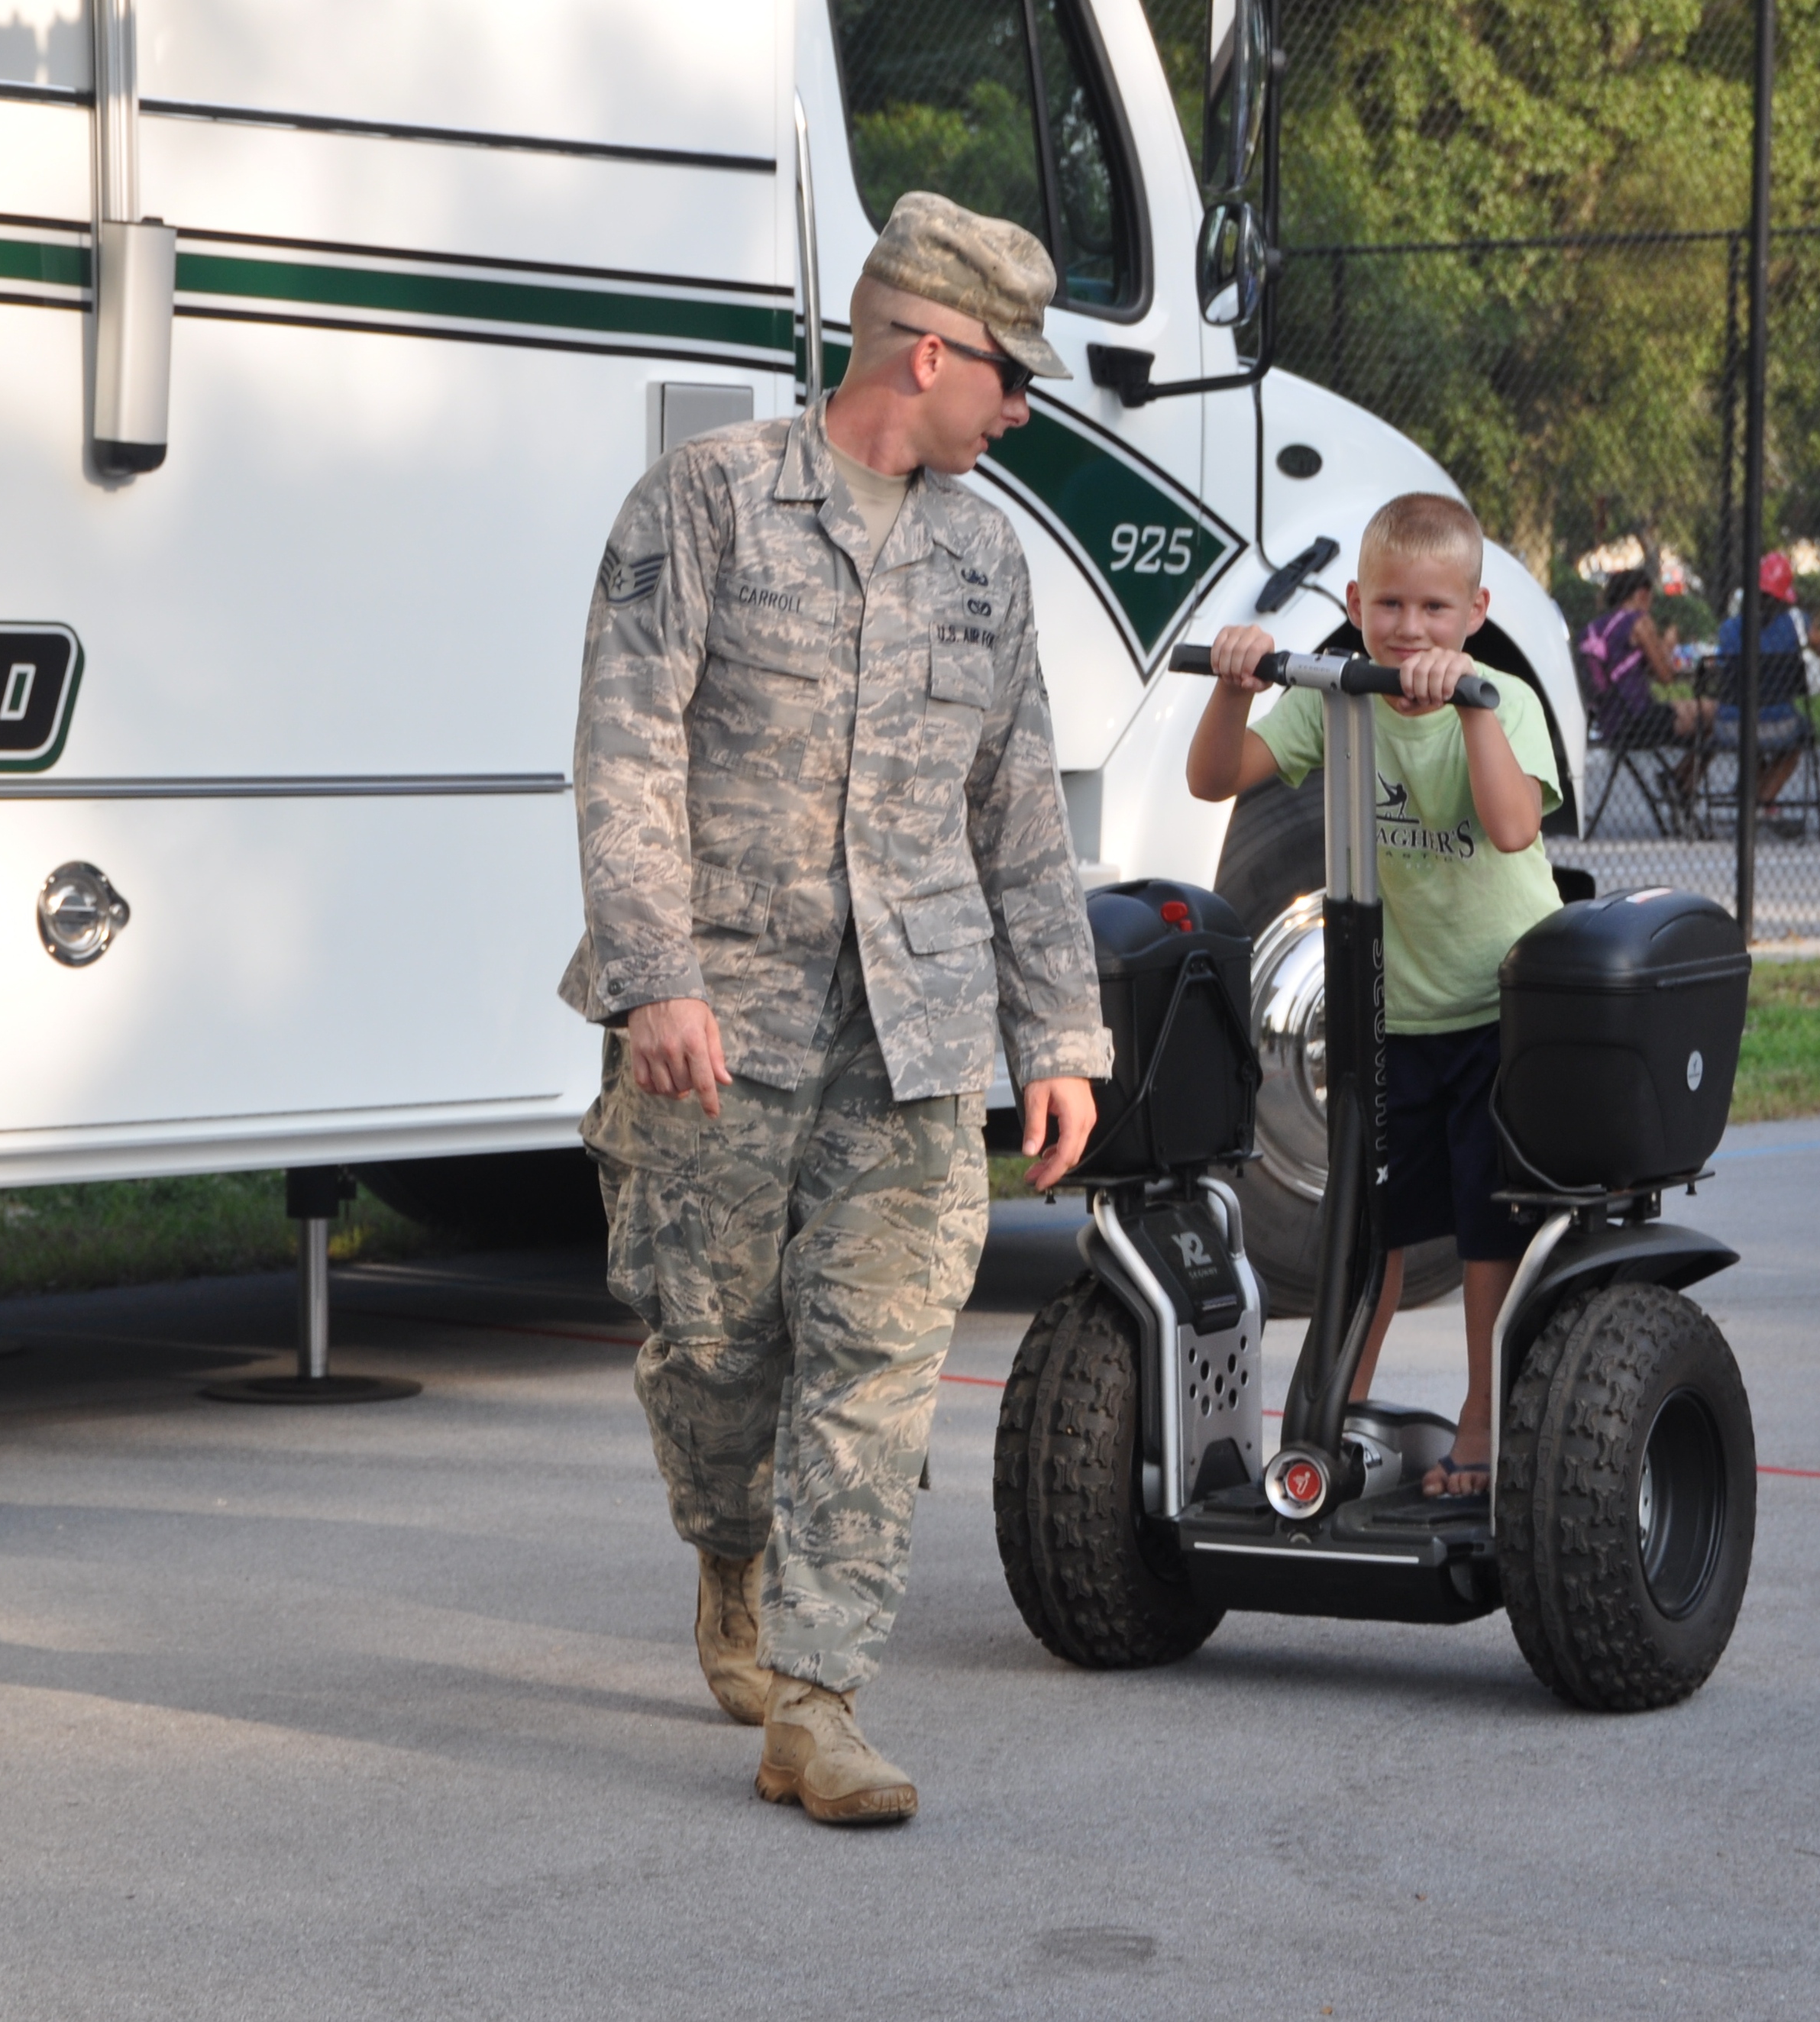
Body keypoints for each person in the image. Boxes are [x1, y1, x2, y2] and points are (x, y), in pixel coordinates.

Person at [561, 191, 1111, 1827]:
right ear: (927, 351)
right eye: (1009, 375)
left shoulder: (985, 551)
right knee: (716, 1350)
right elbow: (625, 748)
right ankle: (731, 1555)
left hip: (918, 1031)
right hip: (720, 1023)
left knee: (877, 1361)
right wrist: (655, 974)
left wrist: (1060, 1036)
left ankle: (820, 1698)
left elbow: (1020, 808)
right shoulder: (710, 502)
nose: (1020, 409)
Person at [1185, 493, 1563, 1500]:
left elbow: (1515, 825)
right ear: (1355, 604)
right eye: (1390, 605)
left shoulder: (1504, 702)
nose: (1411, 629)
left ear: (1476, 612)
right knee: (1371, 1225)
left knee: (1487, 1234)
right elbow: (1214, 778)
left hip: (1498, 1013)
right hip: (1395, 1020)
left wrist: (1470, 703)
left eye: (1437, 610)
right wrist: (1232, 685)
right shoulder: (1335, 697)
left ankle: (1485, 1417)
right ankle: (1331, 1419)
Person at [1712, 551, 1820, 838]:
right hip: (1777, 722)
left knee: (1753, 744)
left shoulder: (1730, 628)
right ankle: (1762, 801)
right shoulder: (1797, 624)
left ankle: (1754, 800)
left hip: (1731, 724)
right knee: (1796, 740)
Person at [1576, 567, 1717, 797]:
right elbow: (1666, 676)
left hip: (1608, 721)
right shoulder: (1639, 622)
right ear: (1641, 594)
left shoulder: (1596, 627)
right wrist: (1669, 644)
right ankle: (1680, 782)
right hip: (1639, 718)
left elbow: (1630, 670)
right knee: (1716, 713)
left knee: (1707, 724)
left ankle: (1679, 781)